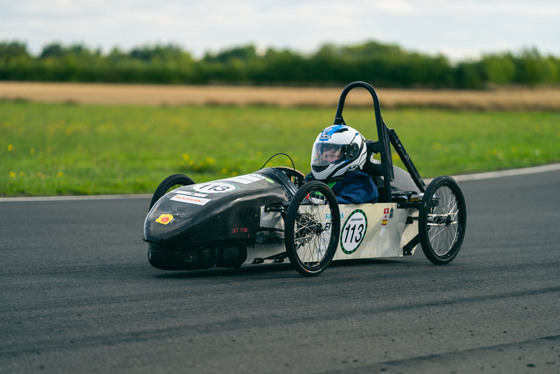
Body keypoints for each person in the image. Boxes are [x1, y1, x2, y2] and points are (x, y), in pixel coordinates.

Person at [308, 125, 378, 204]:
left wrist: (323, 202)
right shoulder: (312, 177)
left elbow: (349, 200)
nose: (325, 159)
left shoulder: (360, 181)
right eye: (322, 155)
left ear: (351, 154)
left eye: (331, 155)